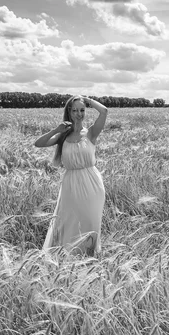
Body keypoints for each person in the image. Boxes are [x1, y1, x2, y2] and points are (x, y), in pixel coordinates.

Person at [34, 95, 108, 256]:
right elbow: (38, 143)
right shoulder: (63, 135)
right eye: (74, 110)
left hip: (92, 184)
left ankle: (90, 258)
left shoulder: (91, 133)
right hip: (70, 184)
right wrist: (56, 130)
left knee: (90, 223)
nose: (78, 114)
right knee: (69, 222)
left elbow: (104, 111)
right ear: (69, 111)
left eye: (82, 110)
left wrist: (88, 100)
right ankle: (68, 257)